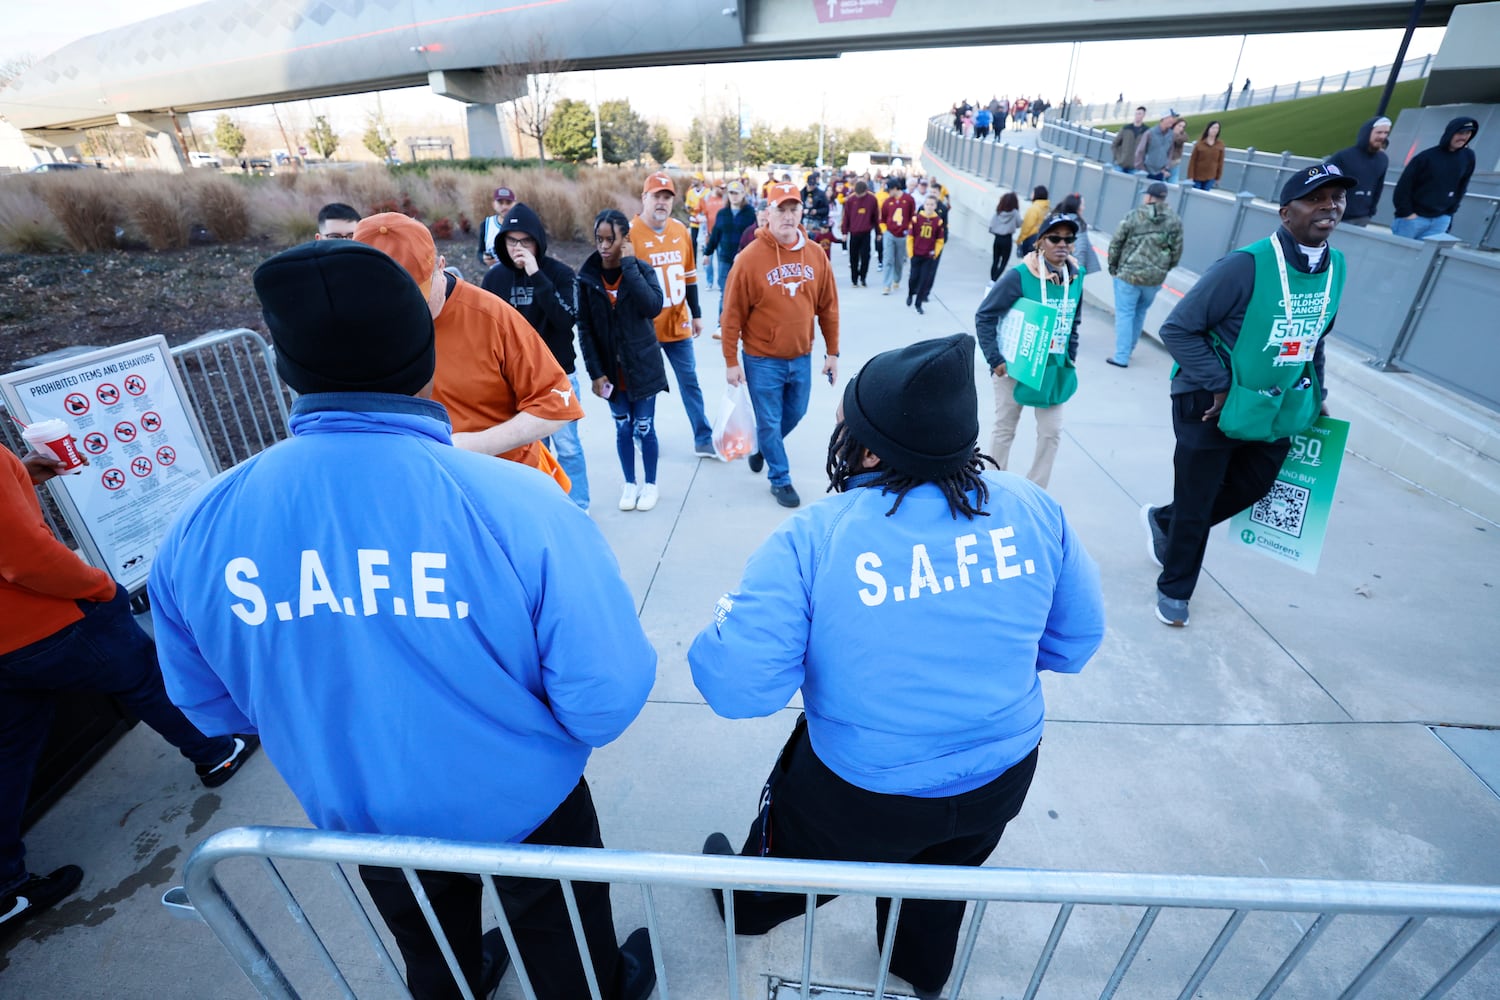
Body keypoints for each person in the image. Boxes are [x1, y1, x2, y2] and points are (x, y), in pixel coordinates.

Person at [149, 239, 658, 1000]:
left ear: (287, 369)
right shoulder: (519, 506)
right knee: (569, 954)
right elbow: (605, 698)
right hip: (525, 804)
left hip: (363, 814)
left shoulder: (199, 525)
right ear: (424, 356)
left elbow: (211, 706)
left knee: (429, 948)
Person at [691, 333, 1105, 1000]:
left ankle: (751, 906)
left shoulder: (815, 534)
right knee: (942, 887)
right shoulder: (1031, 506)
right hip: (998, 775)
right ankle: (918, 969)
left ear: (872, 448)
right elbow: (1074, 643)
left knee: (790, 867)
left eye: (847, 420)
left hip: (859, 793)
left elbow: (739, 688)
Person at [2, 448, 256, 945]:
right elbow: (22, 557)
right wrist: (98, 587)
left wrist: (21, 476)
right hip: (50, 621)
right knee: (145, 678)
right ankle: (216, 753)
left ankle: (5, 890)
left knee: (9, 754)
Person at [1144, 162, 1354, 627]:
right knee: (1199, 499)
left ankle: (1166, 522)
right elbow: (1177, 329)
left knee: (1255, 484)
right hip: (1208, 400)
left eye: (1337, 197)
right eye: (1317, 198)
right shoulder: (1244, 266)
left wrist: (1316, 392)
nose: (1330, 206)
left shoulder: (1335, 267)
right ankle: (1175, 589)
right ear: (1286, 213)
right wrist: (1219, 383)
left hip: (1277, 401)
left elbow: (1314, 337)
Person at [354, 213, 584, 488]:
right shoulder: (363, 323)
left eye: (415, 300)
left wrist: (471, 445)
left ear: (441, 267)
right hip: (430, 488)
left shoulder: (491, 316)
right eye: (387, 305)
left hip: (510, 486)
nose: (403, 316)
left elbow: (556, 405)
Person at [720, 182, 840, 508]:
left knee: (796, 413)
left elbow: (828, 306)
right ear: (767, 214)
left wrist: (832, 352)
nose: (788, 217)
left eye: (793, 209)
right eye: (780, 210)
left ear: (801, 212)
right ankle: (780, 478)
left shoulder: (815, 255)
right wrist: (731, 360)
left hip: (801, 355)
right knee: (770, 421)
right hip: (762, 358)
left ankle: (762, 446)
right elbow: (731, 315)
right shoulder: (748, 260)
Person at [479, 202, 591, 511]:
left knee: (567, 447)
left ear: (537, 241)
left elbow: (566, 318)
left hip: (558, 376)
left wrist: (536, 274)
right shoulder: (494, 279)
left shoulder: (560, 274)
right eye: (511, 241)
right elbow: (486, 329)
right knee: (531, 448)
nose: (518, 248)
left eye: (524, 240)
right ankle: (545, 508)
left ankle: (578, 506)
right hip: (513, 381)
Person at [974, 212, 1083, 489]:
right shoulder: (1019, 276)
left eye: (1069, 239)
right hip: (1015, 366)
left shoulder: (1076, 276)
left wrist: (1070, 355)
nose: (1063, 244)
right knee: (1004, 429)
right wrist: (994, 359)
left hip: (1053, 368)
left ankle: (1036, 490)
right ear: (1040, 242)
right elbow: (985, 315)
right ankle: (995, 486)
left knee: (1052, 432)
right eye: (1055, 238)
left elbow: (1074, 320)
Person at [578, 209, 670, 512]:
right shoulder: (587, 278)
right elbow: (586, 329)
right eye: (598, 239)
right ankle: (630, 483)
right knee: (623, 429)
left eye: (610, 239)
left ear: (625, 241)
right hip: (612, 374)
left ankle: (651, 484)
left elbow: (652, 306)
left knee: (645, 427)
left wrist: (629, 265)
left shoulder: (641, 271)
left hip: (643, 368)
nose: (603, 246)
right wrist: (595, 372)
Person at [630, 172, 717, 458]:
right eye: (656, 196)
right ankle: (644, 432)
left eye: (667, 197)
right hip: (645, 327)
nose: (662, 202)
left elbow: (690, 275)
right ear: (644, 198)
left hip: (678, 322)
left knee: (689, 380)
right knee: (647, 387)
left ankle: (703, 437)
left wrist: (697, 314)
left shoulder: (680, 230)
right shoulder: (630, 233)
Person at [1107, 181, 1184, 368]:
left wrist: (1113, 266)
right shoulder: (1174, 220)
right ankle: (1129, 349)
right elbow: (1177, 250)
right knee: (1140, 312)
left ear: (1149, 197)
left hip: (1129, 274)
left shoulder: (1133, 216)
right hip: (1155, 278)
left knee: (1125, 313)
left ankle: (1122, 356)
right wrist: (1164, 269)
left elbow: (1116, 243)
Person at [1392, 117, 1478, 241]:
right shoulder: (1425, 158)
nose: (1463, 137)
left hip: (1440, 220)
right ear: (1450, 132)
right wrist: (1407, 213)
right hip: (1412, 219)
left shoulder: (1468, 156)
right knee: (1398, 257)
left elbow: (1462, 185)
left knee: (1426, 259)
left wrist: (1449, 213)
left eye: (1468, 133)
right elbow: (1403, 187)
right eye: (1460, 133)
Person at [703, 181, 757, 320]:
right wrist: (707, 253)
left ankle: (744, 323)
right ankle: (722, 324)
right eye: (731, 193)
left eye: (737, 193)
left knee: (745, 292)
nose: (734, 196)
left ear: (743, 194)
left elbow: (755, 234)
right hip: (725, 259)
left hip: (745, 259)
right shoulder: (722, 214)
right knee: (725, 292)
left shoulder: (750, 213)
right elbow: (715, 234)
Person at [1327, 116, 1391, 227]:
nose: (1382, 136)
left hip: (1362, 217)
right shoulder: (1343, 156)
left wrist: (1371, 211)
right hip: (1336, 216)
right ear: (1367, 133)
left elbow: (1378, 187)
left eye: (1386, 133)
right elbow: (1324, 181)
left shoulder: (1383, 159)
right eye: (1379, 132)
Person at [905, 193, 945, 314]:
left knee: (923, 280)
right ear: (924, 205)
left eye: (932, 204)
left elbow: (940, 240)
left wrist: (935, 254)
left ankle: (918, 303)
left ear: (935, 206)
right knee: (913, 278)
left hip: (928, 255)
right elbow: (910, 237)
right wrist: (911, 253)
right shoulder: (916, 219)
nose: (929, 206)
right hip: (916, 254)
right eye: (927, 204)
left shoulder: (938, 221)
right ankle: (911, 293)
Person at [879, 178, 916, 296]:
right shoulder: (887, 202)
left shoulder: (909, 200)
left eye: (889, 190)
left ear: (895, 188)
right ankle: (886, 285)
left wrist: (909, 230)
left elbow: (912, 217)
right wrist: (885, 231)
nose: (888, 193)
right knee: (888, 258)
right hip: (890, 233)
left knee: (899, 260)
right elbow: (882, 219)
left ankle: (897, 278)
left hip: (903, 234)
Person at [840, 179, 879, 287]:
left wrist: (878, 232)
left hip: (866, 233)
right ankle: (854, 279)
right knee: (853, 258)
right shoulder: (850, 200)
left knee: (866, 257)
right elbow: (846, 217)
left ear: (866, 191)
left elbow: (876, 217)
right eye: (857, 194)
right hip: (854, 233)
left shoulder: (872, 200)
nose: (859, 196)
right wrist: (844, 232)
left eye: (861, 194)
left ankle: (863, 277)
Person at [1053, 193, 1101, 276]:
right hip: (1071, 268)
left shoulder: (1058, 219)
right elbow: (1080, 249)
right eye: (1082, 205)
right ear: (1077, 207)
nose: (1084, 208)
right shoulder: (1077, 224)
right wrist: (1078, 271)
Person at [477, 186, 517, 267]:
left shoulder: (523, 223)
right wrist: (484, 259)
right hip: (495, 275)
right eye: (500, 202)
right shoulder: (486, 224)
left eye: (508, 202)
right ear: (494, 204)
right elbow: (480, 252)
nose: (504, 206)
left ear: (515, 204)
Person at [1135, 110, 1178, 181]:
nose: (1173, 121)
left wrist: (1166, 168)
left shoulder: (1171, 135)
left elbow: (1170, 152)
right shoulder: (1150, 133)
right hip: (1145, 172)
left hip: (1160, 173)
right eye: (1171, 118)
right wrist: (1142, 169)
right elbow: (1140, 151)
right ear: (1163, 119)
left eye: (1173, 118)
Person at [988, 191, 1022, 281]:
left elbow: (992, 225)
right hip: (1007, 239)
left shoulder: (999, 212)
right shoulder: (1015, 213)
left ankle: (992, 279)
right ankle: (994, 280)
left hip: (997, 238)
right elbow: (1019, 224)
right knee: (1004, 262)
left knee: (995, 261)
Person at [699, 182, 727, 291]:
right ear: (715, 187)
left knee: (722, 260)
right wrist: (700, 219)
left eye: (724, 188)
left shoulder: (725, 199)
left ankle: (721, 282)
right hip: (709, 235)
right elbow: (699, 213)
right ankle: (709, 282)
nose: (723, 190)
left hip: (722, 235)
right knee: (708, 260)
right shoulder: (706, 198)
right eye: (721, 188)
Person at [1186, 121, 1225, 192]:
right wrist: (1190, 176)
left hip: (1211, 176)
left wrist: (1218, 178)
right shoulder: (1200, 144)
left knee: (1205, 195)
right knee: (1196, 194)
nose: (1215, 130)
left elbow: (1220, 162)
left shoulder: (1220, 145)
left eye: (1217, 128)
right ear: (1208, 129)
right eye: (1213, 128)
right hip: (1197, 175)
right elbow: (1192, 161)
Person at [1111, 107, 1150, 174]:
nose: (1137, 116)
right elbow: (1114, 144)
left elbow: (1149, 148)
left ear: (1144, 115)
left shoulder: (1146, 131)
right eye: (1136, 114)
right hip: (1121, 164)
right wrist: (1119, 158)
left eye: (1140, 114)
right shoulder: (1126, 129)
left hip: (1136, 167)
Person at [1017, 185, 1050, 252]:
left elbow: (1027, 226)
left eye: (1033, 193)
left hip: (1030, 238)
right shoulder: (1046, 208)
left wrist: (1019, 240)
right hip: (1040, 239)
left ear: (1037, 194)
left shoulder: (1034, 208)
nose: (1031, 194)